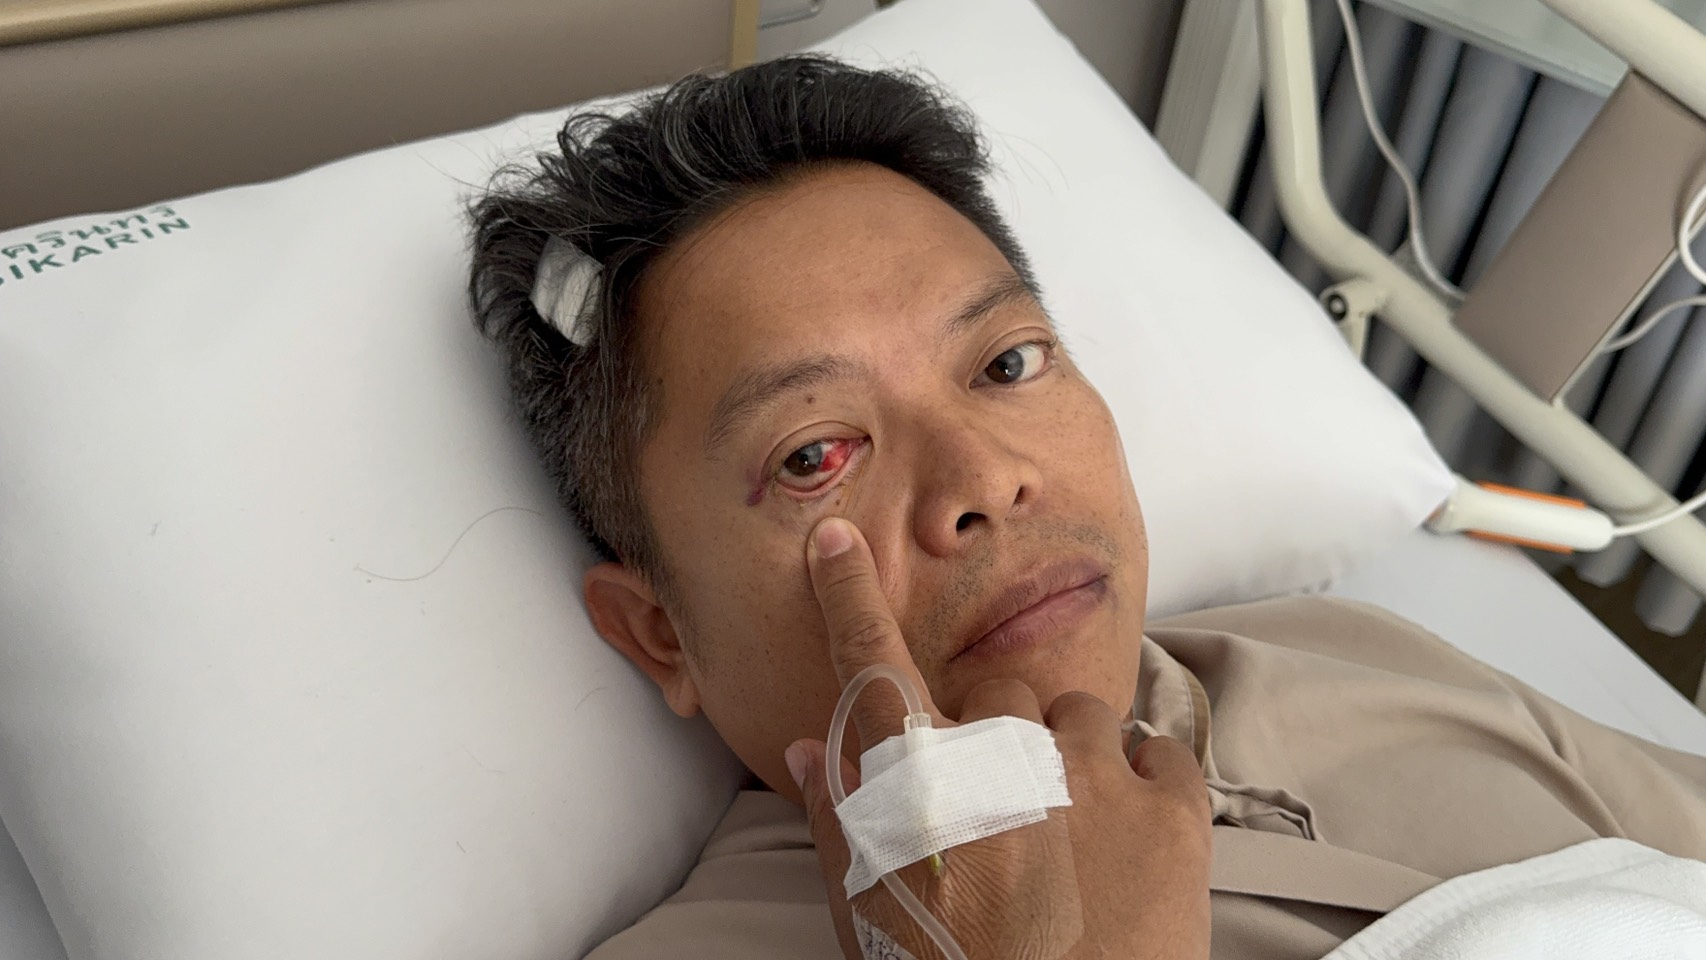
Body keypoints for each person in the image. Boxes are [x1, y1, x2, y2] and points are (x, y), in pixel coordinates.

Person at [467, 55, 1706, 960]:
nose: (982, 482)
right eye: (814, 455)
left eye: (1006, 363)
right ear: (660, 635)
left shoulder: (1360, 654)